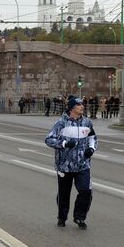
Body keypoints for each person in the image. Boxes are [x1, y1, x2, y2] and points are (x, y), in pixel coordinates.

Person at [45, 96, 97, 230]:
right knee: (64, 193)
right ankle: (62, 217)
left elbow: (92, 137)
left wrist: (91, 148)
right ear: (72, 108)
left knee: (86, 191)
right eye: (79, 105)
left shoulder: (87, 122)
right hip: (65, 165)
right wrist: (64, 143)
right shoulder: (61, 123)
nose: (82, 106)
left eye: (82, 104)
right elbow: (49, 140)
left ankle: (79, 217)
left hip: (83, 165)